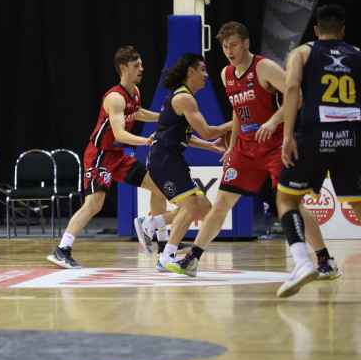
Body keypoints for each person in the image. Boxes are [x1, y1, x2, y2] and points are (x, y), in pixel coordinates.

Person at [166, 22, 340, 280]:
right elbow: (237, 111)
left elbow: (297, 97)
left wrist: (273, 121)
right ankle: (193, 259)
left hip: (275, 146)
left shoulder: (264, 67)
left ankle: (326, 260)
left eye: (234, 45)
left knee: (292, 204)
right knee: (221, 203)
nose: (229, 51)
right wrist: (233, 146)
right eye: (225, 47)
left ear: (246, 43)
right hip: (245, 149)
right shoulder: (226, 73)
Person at [47, 46, 165, 269]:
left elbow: (138, 112)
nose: (142, 69)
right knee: (94, 204)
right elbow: (119, 134)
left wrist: (163, 117)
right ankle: (62, 249)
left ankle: (165, 247)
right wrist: (145, 141)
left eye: (141, 64)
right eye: (136, 65)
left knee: (159, 187)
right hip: (99, 155)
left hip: (117, 155)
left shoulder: (135, 92)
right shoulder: (115, 98)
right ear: (123, 68)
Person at [275, 5, 361, 298]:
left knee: (287, 199)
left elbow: (291, 89)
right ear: (343, 31)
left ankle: (302, 262)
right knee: (358, 205)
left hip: (314, 135)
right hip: (352, 136)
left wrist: (288, 134)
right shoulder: (357, 54)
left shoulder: (301, 53)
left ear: (316, 29)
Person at [137, 53, 232, 272]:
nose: (206, 74)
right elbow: (208, 131)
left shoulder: (183, 96)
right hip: (164, 159)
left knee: (205, 209)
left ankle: (152, 223)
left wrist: (211, 146)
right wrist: (236, 122)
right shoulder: (184, 98)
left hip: (171, 157)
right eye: (202, 70)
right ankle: (167, 256)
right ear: (191, 71)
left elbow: (184, 135)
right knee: (190, 206)